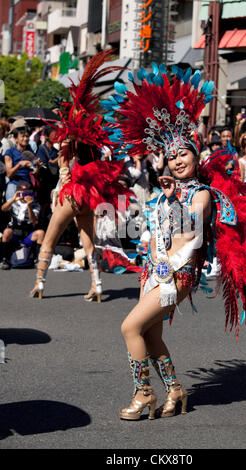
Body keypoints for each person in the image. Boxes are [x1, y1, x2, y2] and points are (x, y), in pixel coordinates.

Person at [102, 63, 246, 421]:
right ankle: (176, 391)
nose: (177, 160)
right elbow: (156, 233)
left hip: (177, 275)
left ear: (196, 155)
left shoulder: (203, 195)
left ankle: (143, 393)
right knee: (152, 335)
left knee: (129, 327)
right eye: (172, 156)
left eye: (184, 154)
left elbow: (190, 239)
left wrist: (165, 265)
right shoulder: (168, 192)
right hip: (154, 270)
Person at [29, 50, 132, 301]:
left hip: (75, 192)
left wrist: (64, 179)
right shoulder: (96, 128)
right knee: (88, 241)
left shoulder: (73, 129)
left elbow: (64, 158)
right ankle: (97, 284)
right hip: (92, 194)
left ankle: (40, 284)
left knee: (51, 237)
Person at [0, 180, 44, 270]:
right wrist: (13, 199)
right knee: (7, 232)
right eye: (22, 194)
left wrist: (29, 206)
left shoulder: (35, 204)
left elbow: (34, 221)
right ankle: (5, 260)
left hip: (28, 233)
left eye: (27, 194)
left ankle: (37, 260)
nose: (24, 196)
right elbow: (3, 209)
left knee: (40, 233)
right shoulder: (13, 202)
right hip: (15, 232)